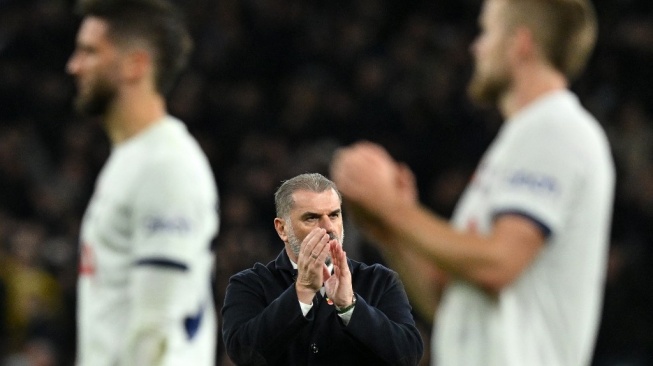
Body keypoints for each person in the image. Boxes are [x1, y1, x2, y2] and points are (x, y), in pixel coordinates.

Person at [330, 0, 615, 365]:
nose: (476, 46)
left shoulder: (556, 128)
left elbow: (499, 263)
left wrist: (396, 209)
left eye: (487, 31)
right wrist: (390, 229)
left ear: (520, 44)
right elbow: (446, 300)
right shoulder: (518, 142)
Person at [67, 0, 219, 365]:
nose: (73, 66)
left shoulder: (166, 165)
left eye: (90, 52)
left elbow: (157, 330)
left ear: (136, 64)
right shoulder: (131, 160)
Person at [221, 173, 423, 365]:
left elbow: (408, 357)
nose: (328, 227)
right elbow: (244, 354)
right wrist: (302, 292)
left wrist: (349, 306)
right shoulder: (250, 284)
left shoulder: (380, 281)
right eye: (311, 217)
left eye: (334, 215)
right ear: (282, 229)